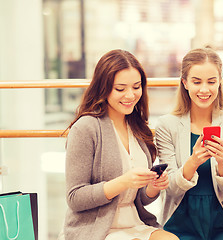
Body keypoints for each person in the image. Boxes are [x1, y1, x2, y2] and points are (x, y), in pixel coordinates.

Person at [61, 49, 179, 240]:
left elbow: (140, 199)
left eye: (136, 86)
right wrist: (123, 182)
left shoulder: (137, 126)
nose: (130, 95)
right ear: (103, 88)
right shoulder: (86, 128)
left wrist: (154, 187)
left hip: (135, 222)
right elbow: (75, 198)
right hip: (96, 228)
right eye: (120, 89)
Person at [155, 48, 223, 240]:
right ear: (185, 83)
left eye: (211, 82)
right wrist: (193, 162)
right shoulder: (167, 125)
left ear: (220, 82)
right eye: (197, 82)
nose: (204, 89)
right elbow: (171, 189)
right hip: (180, 219)